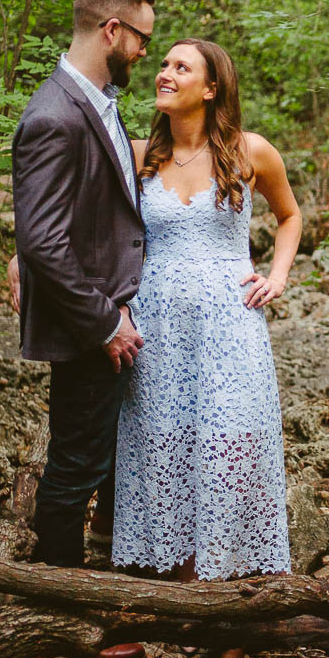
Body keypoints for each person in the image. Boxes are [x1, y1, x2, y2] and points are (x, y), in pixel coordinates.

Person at [111, 38, 301, 583]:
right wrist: (22, 255)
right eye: (164, 65)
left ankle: (234, 592)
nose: (164, 74)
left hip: (231, 322)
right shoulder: (139, 153)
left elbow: (290, 216)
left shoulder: (250, 151)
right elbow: (81, 210)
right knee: (164, 456)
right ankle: (180, 592)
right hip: (158, 326)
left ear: (210, 88)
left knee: (231, 450)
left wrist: (278, 275)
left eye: (180, 67)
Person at [10, 0, 153, 597]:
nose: (146, 53)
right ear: (111, 29)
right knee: (76, 463)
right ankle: (60, 599)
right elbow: (44, 239)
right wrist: (105, 322)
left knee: (96, 455)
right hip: (91, 323)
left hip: (107, 310)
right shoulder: (55, 115)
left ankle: (85, 584)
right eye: (142, 39)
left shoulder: (97, 103)